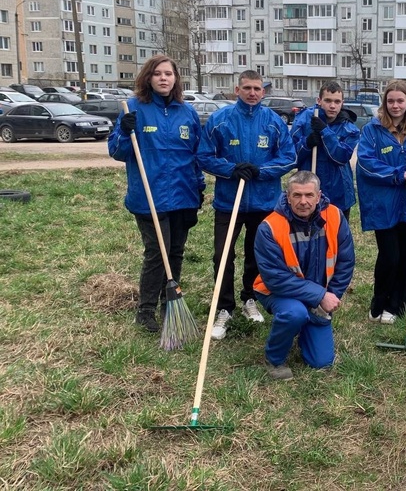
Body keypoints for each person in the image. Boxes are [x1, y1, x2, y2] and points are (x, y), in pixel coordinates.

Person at [108, 55, 205, 333]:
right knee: (155, 253)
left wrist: (199, 189)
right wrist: (125, 133)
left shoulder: (187, 113)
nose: (164, 78)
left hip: (183, 195)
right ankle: (146, 309)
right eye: (158, 74)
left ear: (176, 79)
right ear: (148, 78)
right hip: (148, 196)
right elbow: (117, 152)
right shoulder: (134, 109)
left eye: (169, 74)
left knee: (175, 251)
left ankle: (170, 304)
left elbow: (196, 156)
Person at [197, 70, 296, 340]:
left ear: (263, 92)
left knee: (257, 254)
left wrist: (260, 171)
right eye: (247, 88)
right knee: (222, 255)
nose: (252, 93)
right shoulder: (220, 120)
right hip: (229, 202)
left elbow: (289, 157)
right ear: (237, 90)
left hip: (264, 202)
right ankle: (224, 308)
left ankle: (249, 298)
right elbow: (204, 156)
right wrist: (230, 169)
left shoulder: (274, 122)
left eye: (257, 88)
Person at [252, 171, 355, 380]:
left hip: (316, 295)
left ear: (319, 196)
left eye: (309, 195)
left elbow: (346, 262)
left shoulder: (335, 216)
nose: (303, 202)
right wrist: (319, 296)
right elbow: (275, 278)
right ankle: (274, 358)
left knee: (321, 362)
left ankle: (304, 328)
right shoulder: (269, 227)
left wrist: (330, 296)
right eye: (297, 195)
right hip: (276, 290)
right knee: (294, 314)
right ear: (287, 197)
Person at [357, 80, 406, 324]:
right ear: (385, 103)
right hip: (383, 203)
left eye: (400, 100)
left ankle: (397, 304)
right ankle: (379, 299)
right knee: (389, 255)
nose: (395, 105)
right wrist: (398, 175)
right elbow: (366, 162)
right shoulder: (372, 130)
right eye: (390, 101)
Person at [291, 81, 360, 220]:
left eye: (337, 101)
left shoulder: (349, 128)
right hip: (308, 191)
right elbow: (291, 156)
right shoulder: (304, 120)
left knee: (336, 236)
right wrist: (307, 144)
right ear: (319, 100)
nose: (332, 106)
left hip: (339, 193)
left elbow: (341, 157)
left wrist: (325, 132)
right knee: (308, 236)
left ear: (342, 102)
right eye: (328, 100)